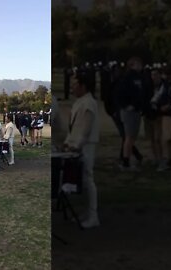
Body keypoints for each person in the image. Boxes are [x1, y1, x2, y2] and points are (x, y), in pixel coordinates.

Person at [63, 72, 100, 229]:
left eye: (75, 85)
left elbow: (85, 128)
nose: (72, 88)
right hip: (75, 145)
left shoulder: (89, 103)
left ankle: (93, 215)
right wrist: (67, 142)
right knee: (81, 181)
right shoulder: (80, 102)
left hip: (85, 146)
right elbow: (74, 128)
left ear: (83, 86)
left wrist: (77, 145)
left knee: (87, 179)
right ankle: (87, 212)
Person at [116, 57, 149, 171]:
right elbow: (120, 93)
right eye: (137, 64)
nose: (140, 66)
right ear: (131, 65)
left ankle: (128, 159)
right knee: (129, 137)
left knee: (132, 137)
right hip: (129, 111)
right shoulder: (127, 78)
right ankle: (126, 162)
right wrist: (126, 105)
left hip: (136, 110)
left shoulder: (140, 77)